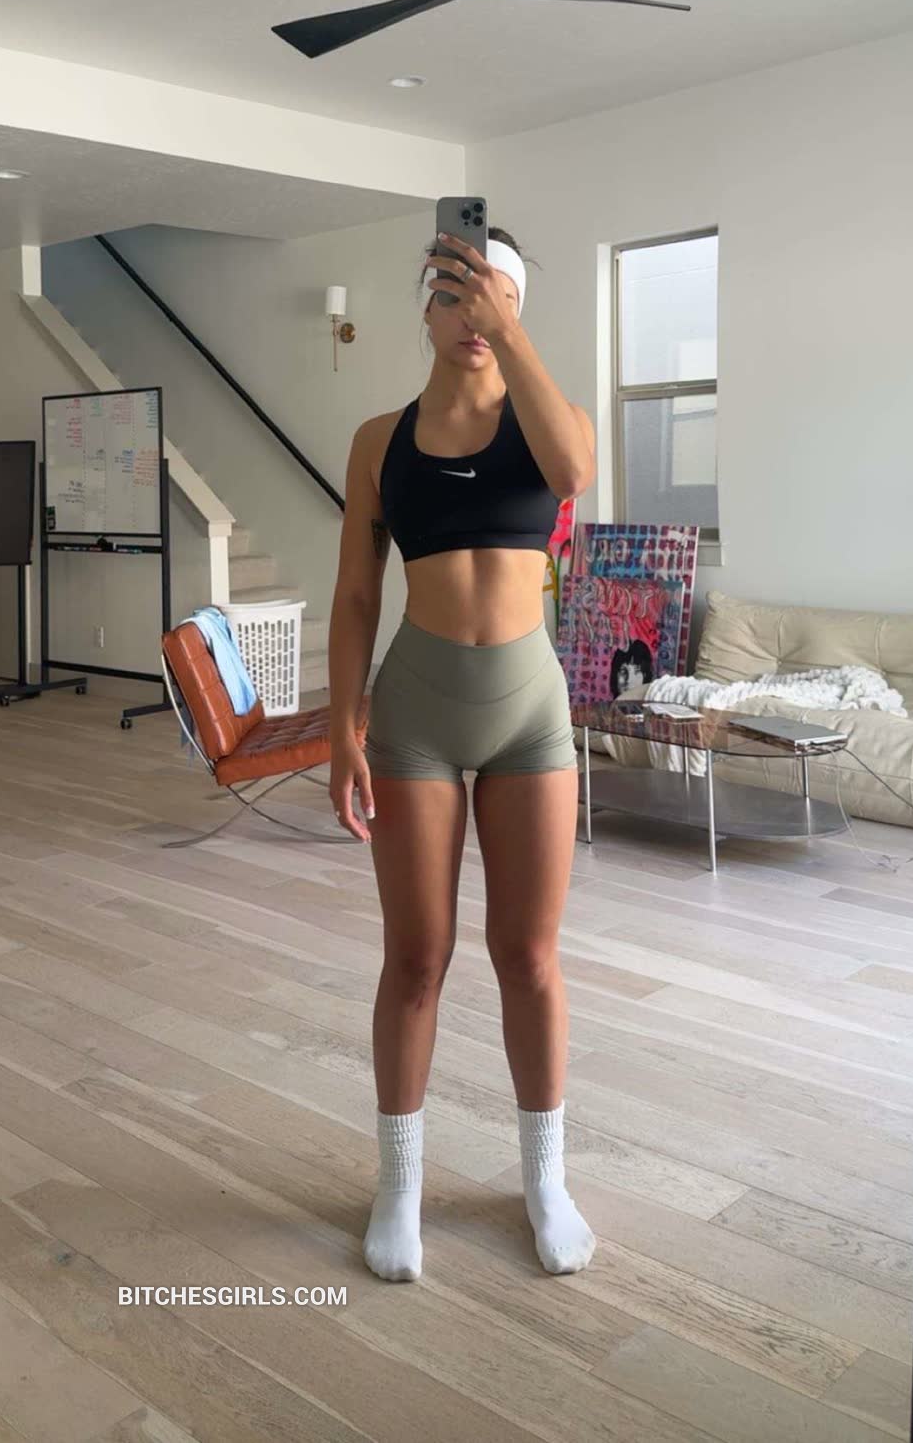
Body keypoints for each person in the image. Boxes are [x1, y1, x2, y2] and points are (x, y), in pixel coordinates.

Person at [327, 223, 597, 1283]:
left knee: (528, 955)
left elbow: (574, 472)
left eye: (496, 297)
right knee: (416, 957)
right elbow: (356, 594)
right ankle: (398, 1186)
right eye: (454, 293)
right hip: (417, 714)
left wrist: (510, 334)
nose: (475, 315)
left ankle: (545, 1182)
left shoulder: (548, 420)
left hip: (528, 713)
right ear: (426, 307)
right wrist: (341, 728)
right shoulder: (377, 440)